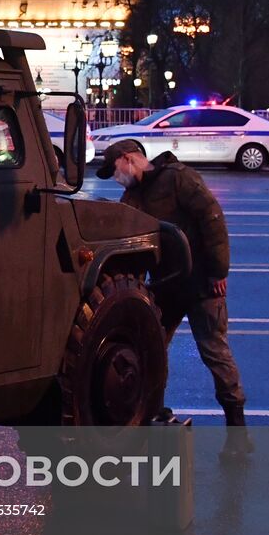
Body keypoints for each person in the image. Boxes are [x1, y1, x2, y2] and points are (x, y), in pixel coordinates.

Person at [96, 140, 252, 450]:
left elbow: (212, 220)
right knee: (150, 349)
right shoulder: (133, 197)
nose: (116, 178)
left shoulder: (179, 178)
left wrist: (218, 271)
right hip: (166, 286)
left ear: (128, 159)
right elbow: (131, 246)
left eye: (114, 170)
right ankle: (154, 410)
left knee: (214, 352)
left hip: (202, 285)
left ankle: (237, 428)